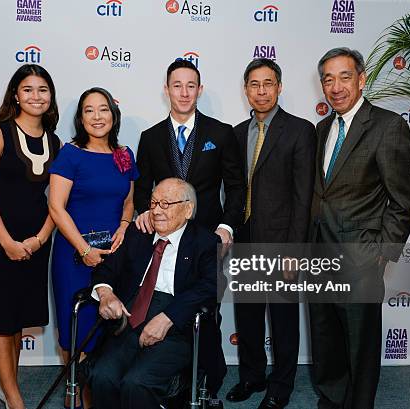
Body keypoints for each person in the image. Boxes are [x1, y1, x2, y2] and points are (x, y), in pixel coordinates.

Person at [308, 48, 410, 409]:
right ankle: (331, 399)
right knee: (326, 339)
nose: (335, 86)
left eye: (344, 77)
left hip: (361, 258)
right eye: (328, 78)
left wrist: (382, 254)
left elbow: (402, 200)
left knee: (361, 343)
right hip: (320, 256)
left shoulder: (388, 126)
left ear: (361, 79)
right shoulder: (323, 128)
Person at [133, 59, 245, 402]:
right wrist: (142, 214)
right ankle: (177, 377)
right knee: (168, 305)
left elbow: (237, 187)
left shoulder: (220, 132)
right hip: (166, 240)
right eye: (176, 85)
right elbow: (142, 189)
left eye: (190, 85)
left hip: (207, 238)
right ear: (166, 89)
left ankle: (210, 376)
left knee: (206, 309)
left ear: (200, 89)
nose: (184, 92)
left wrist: (226, 227)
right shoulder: (150, 137)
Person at [0, 64, 61, 409]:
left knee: (19, 318)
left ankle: (7, 387)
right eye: (28, 89)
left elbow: (57, 201)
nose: (35, 96)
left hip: (37, 242)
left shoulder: (54, 141)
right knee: (1, 319)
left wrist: (39, 239)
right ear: (15, 95)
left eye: (42, 90)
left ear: (50, 96)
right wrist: (7, 242)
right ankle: (12, 397)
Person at [227, 58, 315, 409]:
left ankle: (281, 386)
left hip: (282, 242)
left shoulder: (299, 130)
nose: (260, 91)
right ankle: (251, 376)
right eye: (253, 84)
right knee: (247, 314)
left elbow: (303, 195)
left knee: (282, 320)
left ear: (279, 87)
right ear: (245, 89)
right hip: (245, 236)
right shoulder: (235, 134)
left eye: (268, 83)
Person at [89, 178, 219, 409]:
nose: (157, 210)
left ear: (188, 209)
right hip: (131, 320)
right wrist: (106, 294)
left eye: (166, 204)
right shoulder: (138, 234)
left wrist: (168, 317)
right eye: (153, 203)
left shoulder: (205, 241)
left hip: (177, 328)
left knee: (136, 383)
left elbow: (213, 284)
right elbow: (106, 269)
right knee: (102, 376)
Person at [48, 87, 137, 409]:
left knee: (108, 329)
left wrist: (125, 226)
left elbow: (129, 203)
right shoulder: (70, 154)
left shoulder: (124, 154)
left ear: (114, 116)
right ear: (80, 117)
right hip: (74, 256)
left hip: (112, 258)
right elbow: (57, 208)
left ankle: (98, 396)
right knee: (77, 328)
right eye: (89, 110)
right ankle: (78, 397)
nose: (97, 117)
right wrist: (84, 249)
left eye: (103, 110)